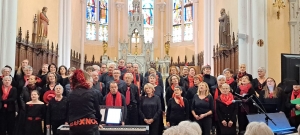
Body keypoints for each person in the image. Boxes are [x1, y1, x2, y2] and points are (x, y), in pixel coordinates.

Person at [68, 69, 101, 135]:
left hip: (75, 126)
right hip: (90, 126)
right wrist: (98, 123)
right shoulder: (92, 93)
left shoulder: (70, 94)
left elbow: (68, 112)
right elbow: (97, 112)